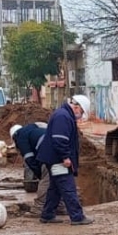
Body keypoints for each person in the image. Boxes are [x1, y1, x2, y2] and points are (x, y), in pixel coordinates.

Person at [36, 94, 94, 226]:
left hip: (54, 158)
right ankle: (77, 217)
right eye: (82, 112)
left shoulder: (63, 114)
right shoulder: (63, 116)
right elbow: (60, 139)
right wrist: (66, 157)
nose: (80, 115)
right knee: (68, 188)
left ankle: (47, 214)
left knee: (55, 188)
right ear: (77, 107)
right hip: (58, 160)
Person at [10, 122, 65, 214]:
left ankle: (39, 207)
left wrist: (39, 174)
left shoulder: (21, 137)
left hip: (49, 152)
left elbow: (30, 159)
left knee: (46, 181)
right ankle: (60, 206)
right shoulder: (33, 129)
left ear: (14, 136)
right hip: (62, 150)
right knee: (58, 180)